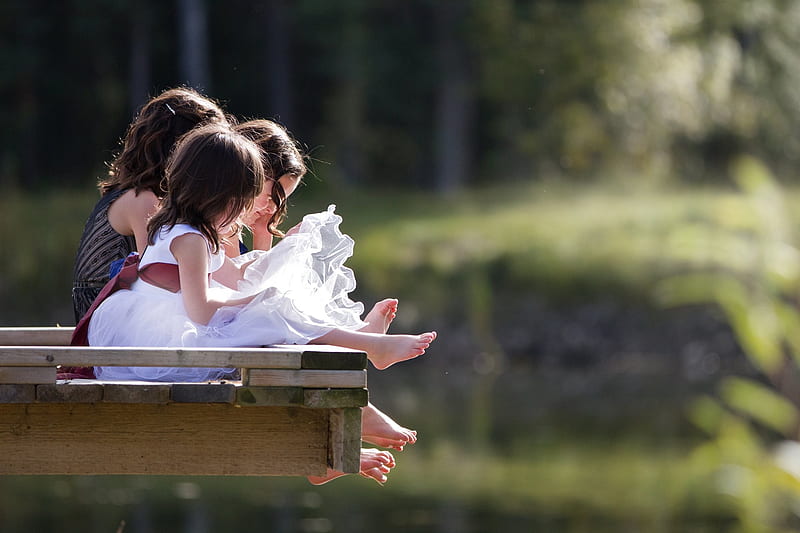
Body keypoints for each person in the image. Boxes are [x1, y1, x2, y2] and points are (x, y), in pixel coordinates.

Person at [86, 124, 436, 483]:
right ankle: (369, 346)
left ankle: (360, 348)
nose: (242, 215)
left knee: (275, 310)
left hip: (163, 325)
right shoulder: (190, 238)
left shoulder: (183, 227)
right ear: (218, 193)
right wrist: (254, 301)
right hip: (165, 336)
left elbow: (224, 280)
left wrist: (270, 258)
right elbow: (202, 311)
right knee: (272, 313)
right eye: (241, 203)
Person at [232, 119, 421, 452]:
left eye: (282, 201)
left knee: (285, 302)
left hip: (236, 323)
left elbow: (249, 281)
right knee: (279, 306)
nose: (272, 208)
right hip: (210, 325)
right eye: (270, 194)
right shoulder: (217, 223)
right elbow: (240, 288)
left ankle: (359, 343)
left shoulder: (234, 223)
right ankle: (362, 346)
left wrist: (263, 236)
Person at [71, 87, 229, 323]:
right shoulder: (143, 200)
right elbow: (158, 275)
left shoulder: (143, 194)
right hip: (108, 316)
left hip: (129, 306)